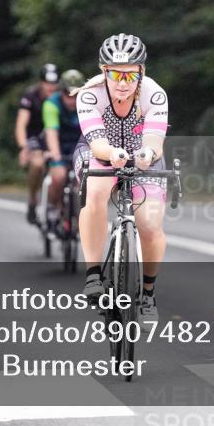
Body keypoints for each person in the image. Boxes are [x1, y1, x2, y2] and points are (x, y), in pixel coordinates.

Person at [75, 34, 169, 321]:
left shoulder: (154, 94)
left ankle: (149, 293)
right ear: (104, 71)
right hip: (101, 149)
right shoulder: (90, 95)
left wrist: (146, 155)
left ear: (142, 73)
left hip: (143, 155)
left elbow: (154, 141)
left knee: (150, 224)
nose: (123, 82)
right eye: (115, 74)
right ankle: (93, 275)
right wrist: (112, 153)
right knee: (96, 192)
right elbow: (98, 144)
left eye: (130, 75)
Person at [40, 69, 84, 234]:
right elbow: (51, 132)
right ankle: (52, 207)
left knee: (83, 182)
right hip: (57, 143)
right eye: (67, 94)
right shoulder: (51, 103)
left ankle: (80, 217)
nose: (71, 100)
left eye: (75, 94)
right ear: (61, 91)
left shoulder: (88, 103)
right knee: (58, 176)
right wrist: (56, 157)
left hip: (79, 144)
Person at [15, 63, 60, 224]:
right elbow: (21, 124)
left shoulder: (63, 96)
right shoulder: (30, 96)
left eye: (54, 83)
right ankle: (33, 199)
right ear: (41, 82)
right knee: (37, 164)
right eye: (48, 83)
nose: (51, 87)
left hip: (56, 134)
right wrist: (23, 147)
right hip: (35, 136)